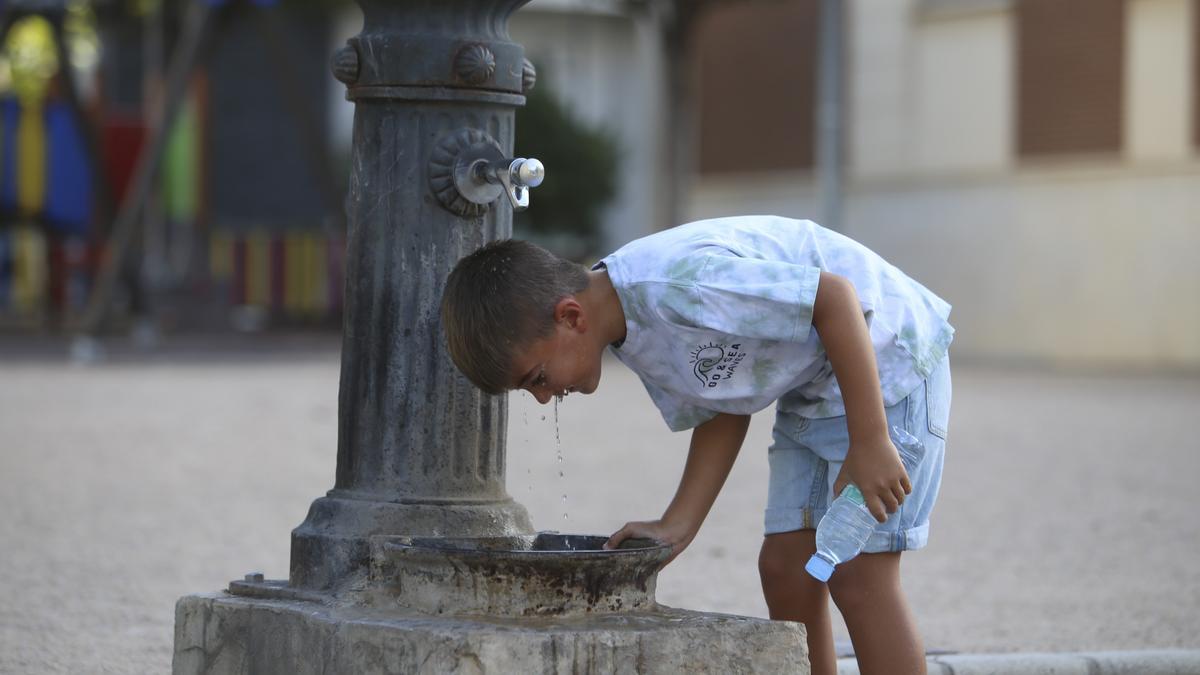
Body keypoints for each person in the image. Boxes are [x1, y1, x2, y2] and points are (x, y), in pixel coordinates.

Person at [441, 215, 953, 675]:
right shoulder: (625, 329)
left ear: (571, 317)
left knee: (858, 576)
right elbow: (724, 399)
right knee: (784, 569)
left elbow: (835, 298)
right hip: (813, 389)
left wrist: (870, 441)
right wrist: (679, 523)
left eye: (536, 378)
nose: (543, 397)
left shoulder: (674, 287)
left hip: (889, 367)